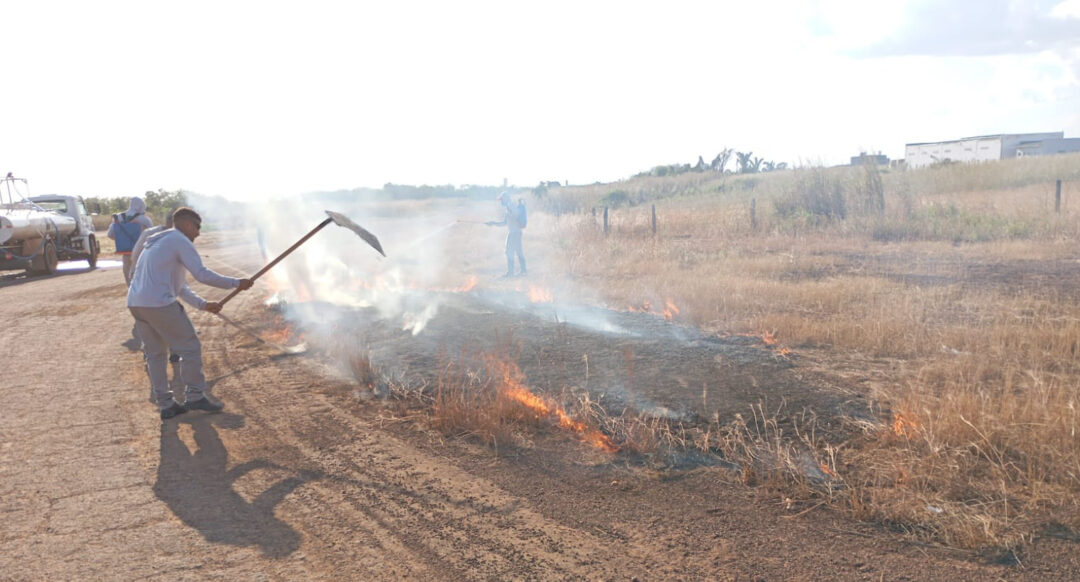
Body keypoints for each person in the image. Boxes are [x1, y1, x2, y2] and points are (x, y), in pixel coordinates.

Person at [127, 207, 253, 419]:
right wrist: (236, 283)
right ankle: (195, 396)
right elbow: (202, 275)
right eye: (197, 227)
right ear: (186, 224)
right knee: (190, 347)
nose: (198, 233)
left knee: (155, 354)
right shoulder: (179, 240)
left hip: (137, 303)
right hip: (159, 304)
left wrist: (203, 304)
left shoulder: (160, 240)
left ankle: (166, 405)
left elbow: (181, 286)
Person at [107, 196, 154, 285]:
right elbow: (153, 235)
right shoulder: (144, 219)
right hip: (141, 253)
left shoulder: (118, 218)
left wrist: (123, 241)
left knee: (129, 280)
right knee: (143, 279)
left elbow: (110, 234)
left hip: (126, 253)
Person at [486, 192, 526, 278]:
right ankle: (523, 271)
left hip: (514, 233)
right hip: (516, 232)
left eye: (501, 200)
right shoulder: (509, 207)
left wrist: (512, 214)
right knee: (518, 251)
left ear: (505, 199)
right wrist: (493, 223)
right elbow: (505, 223)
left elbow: (517, 214)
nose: (501, 202)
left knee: (509, 252)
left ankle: (511, 273)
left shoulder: (510, 205)